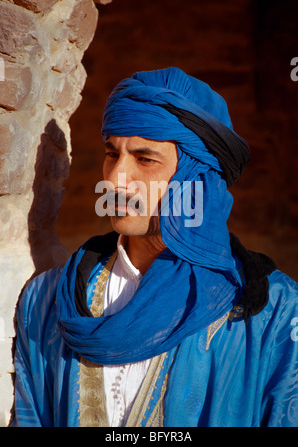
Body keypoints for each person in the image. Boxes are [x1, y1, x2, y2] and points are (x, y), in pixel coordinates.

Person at [12, 67, 298, 427]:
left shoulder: (274, 315)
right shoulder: (46, 302)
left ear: (198, 178)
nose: (115, 179)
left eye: (144, 159)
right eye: (112, 153)